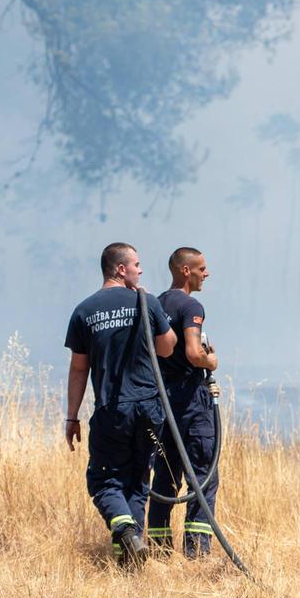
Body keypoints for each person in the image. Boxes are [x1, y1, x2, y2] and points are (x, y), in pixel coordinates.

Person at [65, 242, 177, 567]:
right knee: (137, 482)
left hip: (113, 410)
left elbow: (78, 368)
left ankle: (126, 532)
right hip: (149, 408)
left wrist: (72, 417)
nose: (141, 271)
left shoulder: (84, 311)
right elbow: (167, 348)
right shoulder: (147, 301)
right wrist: (149, 314)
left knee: (105, 480)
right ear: (119, 269)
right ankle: (130, 560)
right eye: (137, 265)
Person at [149, 246, 221, 558]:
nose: (207, 273)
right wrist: (211, 361)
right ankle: (197, 554)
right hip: (191, 402)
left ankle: (158, 550)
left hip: (162, 403)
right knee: (203, 476)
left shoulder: (156, 304)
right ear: (185, 271)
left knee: (165, 477)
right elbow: (194, 352)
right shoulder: (192, 305)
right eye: (202, 268)